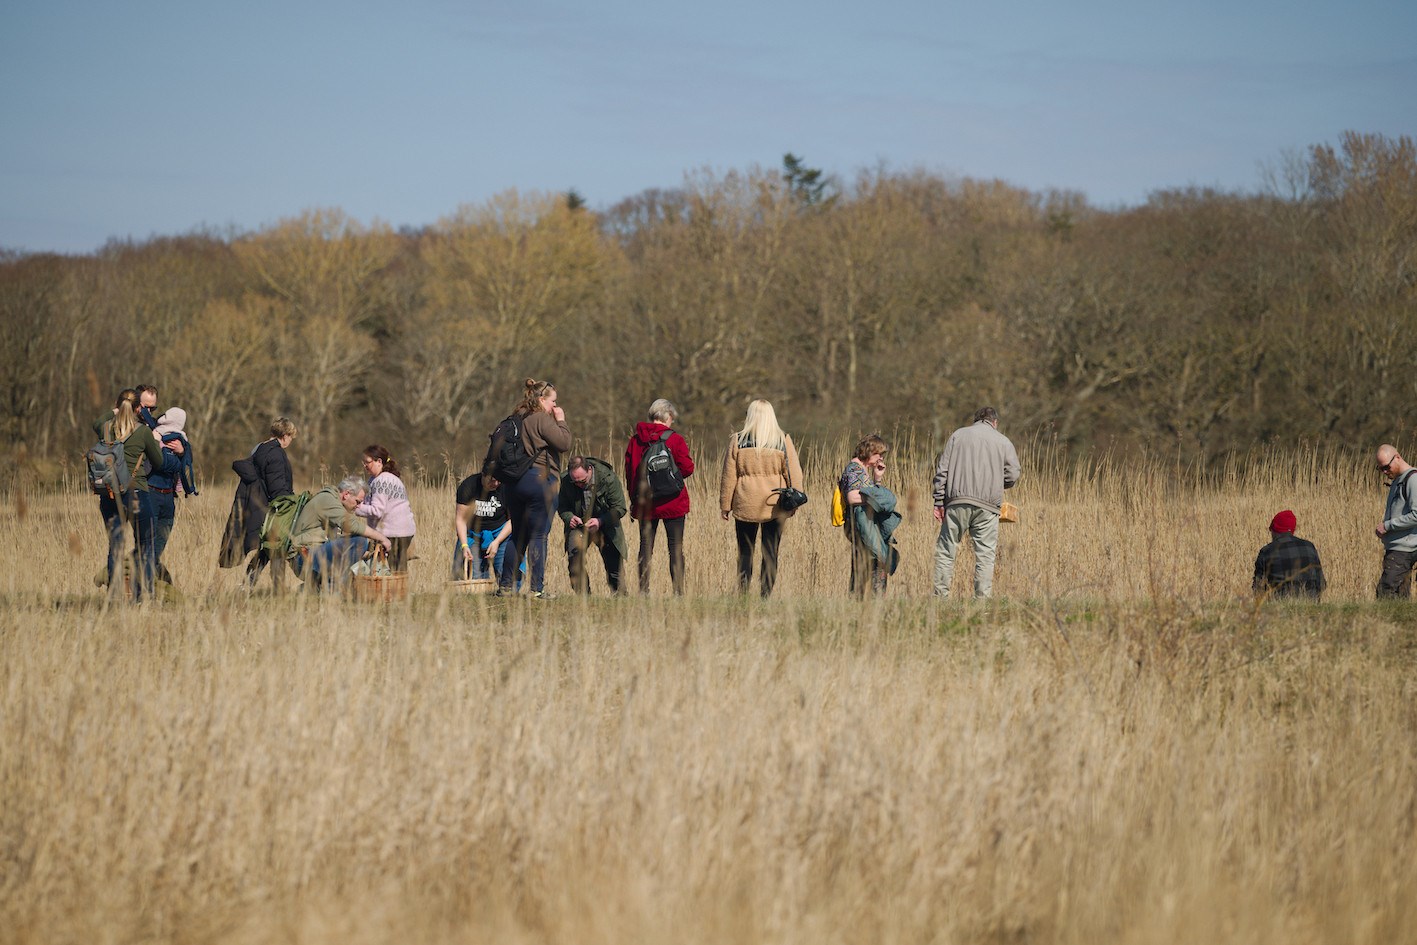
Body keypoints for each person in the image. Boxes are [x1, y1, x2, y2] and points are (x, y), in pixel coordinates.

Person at [93, 390, 181, 600]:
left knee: (115, 545)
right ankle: (144, 595)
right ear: (138, 409)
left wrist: (118, 408)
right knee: (146, 545)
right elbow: (159, 462)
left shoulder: (106, 428)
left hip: (109, 495)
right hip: (136, 493)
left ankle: (114, 596)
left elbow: (98, 421)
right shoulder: (142, 432)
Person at [931, 406, 1022, 600]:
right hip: (988, 505)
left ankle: (940, 598)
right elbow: (1013, 473)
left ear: (976, 420)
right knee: (985, 554)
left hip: (956, 502)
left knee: (946, 551)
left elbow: (942, 470)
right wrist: (999, 483)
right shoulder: (1003, 441)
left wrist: (939, 500)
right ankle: (982, 600)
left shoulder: (957, 435)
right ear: (994, 422)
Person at [718, 399, 804, 597]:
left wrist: (725, 504)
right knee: (770, 552)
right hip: (775, 504)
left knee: (745, 552)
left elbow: (729, 475)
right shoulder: (782, 439)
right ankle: (765, 595)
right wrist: (796, 499)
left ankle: (743, 595)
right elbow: (794, 473)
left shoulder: (738, 440)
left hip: (745, 501)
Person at [498, 379, 572, 599]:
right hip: (540, 481)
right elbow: (564, 443)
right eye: (553, 401)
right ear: (541, 400)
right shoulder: (541, 418)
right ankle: (536, 590)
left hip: (514, 484)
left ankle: (506, 586)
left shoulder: (518, 417)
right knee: (538, 535)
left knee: (517, 535)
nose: (555, 406)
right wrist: (561, 421)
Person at [625, 398, 695, 595]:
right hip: (674, 501)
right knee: (675, 547)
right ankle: (678, 593)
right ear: (669, 416)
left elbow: (630, 473)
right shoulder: (675, 439)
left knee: (645, 547)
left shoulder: (635, 441)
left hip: (646, 502)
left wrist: (634, 500)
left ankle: (643, 591)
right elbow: (688, 468)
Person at [219, 417, 297, 589]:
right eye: (291, 437)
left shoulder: (259, 448)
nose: (291, 441)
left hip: (261, 507)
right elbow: (277, 486)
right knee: (277, 547)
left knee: (267, 549)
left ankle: (249, 583)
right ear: (284, 436)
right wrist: (290, 505)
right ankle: (277, 587)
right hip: (275, 509)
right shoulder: (276, 454)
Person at [288, 476, 392, 592]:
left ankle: (315, 588)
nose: (358, 506)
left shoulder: (333, 501)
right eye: (357, 502)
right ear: (346, 494)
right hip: (303, 559)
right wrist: (382, 538)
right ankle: (333, 589)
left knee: (359, 544)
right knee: (360, 541)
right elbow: (351, 525)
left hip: (312, 555)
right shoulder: (327, 500)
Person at [557, 455, 628, 595]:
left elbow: (620, 508)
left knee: (614, 567)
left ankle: (620, 598)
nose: (579, 485)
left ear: (589, 470)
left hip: (606, 524)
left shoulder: (608, 478)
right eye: (575, 482)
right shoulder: (566, 480)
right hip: (579, 526)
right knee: (574, 563)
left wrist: (600, 521)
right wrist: (568, 517)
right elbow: (562, 506)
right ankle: (584, 599)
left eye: (582, 481)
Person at [839, 434, 895, 596]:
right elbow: (852, 497)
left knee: (869, 562)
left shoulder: (862, 470)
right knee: (868, 561)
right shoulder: (854, 468)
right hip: (858, 525)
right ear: (869, 451)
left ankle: (863, 600)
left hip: (864, 523)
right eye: (879, 454)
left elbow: (867, 493)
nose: (881, 458)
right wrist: (878, 498)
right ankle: (866, 600)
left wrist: (877, 479)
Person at [149, 407, 198, 590]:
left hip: (169, 497)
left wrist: (181, 452)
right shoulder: (152, 434)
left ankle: (157, 583)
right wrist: (177, 458)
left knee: (158, 544)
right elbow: (162, 464)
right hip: (151, 493)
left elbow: (187, 461)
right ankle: (158, 585)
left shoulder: (181, 440)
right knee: (148, 546)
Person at [355, 445, 416, 573]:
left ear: (379, 462)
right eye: (364, 462)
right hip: (401, 531)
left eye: (367, 462)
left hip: (395, 533)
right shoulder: (379, 479)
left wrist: (356, 508)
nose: (365, 466)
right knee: (394, 571)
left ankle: (396, 592)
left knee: (390, 572)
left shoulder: (382, 481)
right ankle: (396, 592)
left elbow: (377, 511)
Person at [453, 465, 513, 581]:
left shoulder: (507, 488)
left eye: (498, 481)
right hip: (473, 533)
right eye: (491, 480)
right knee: (472, 578)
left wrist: (497, 541)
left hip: (501, 532)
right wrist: (464, 545)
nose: (495, 484)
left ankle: (506, 595)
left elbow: (513, 520)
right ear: (483, 475)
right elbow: (461, 519)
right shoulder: (469, 486)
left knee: (506, 576)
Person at [1374, 443, 1417, 598]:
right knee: (1400, 595)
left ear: (1397, 457)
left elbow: (1416, 515)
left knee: (1386, 593)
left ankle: (1384, 622)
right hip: (1397, 549)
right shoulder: (1398, 479)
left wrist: (1388, 525)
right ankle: (1401, 622)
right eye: (1381, 469)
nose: (1385, 472)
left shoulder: (1413, 479)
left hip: (1403, 550)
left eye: (1386, 467)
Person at [1252, 509, 1326, 600]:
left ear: (1275, 530)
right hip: (1311, 606)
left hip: (1280, 610)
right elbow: (1322, 584)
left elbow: (1258, 589)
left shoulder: (1266, 551)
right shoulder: (1309, 547)